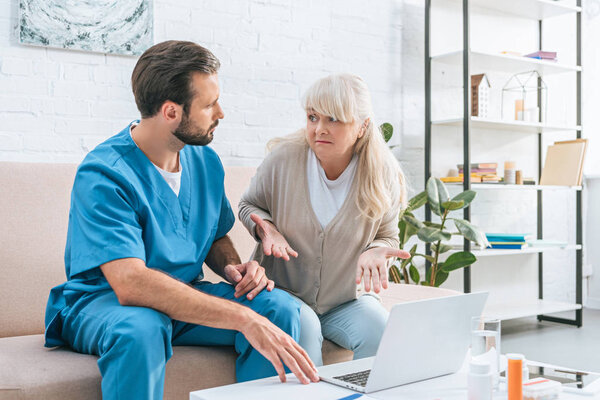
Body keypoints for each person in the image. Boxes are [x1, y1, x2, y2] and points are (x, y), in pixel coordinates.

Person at [43, 40, 318, 400]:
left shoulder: (205, 162)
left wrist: (235, 269)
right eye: (209, 105)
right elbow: (130, 284)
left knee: (276, 308)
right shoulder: (103, 174)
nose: (220, 113)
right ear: (171, 112)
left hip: (185, 296)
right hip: (105, 303)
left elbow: (214, 235)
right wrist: (241, 318)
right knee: (141, 328)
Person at [238, 73, 411, 366]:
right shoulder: (284, 159)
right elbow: (249, 204)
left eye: (334, 119)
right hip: (286, 296)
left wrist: (376, 251)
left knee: (384, 332)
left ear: (362, 126)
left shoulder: (382, 174)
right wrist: (267, 230)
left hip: (346, 301)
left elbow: (388, 235)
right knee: (304, 331)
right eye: (313, 117)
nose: (320, 129)